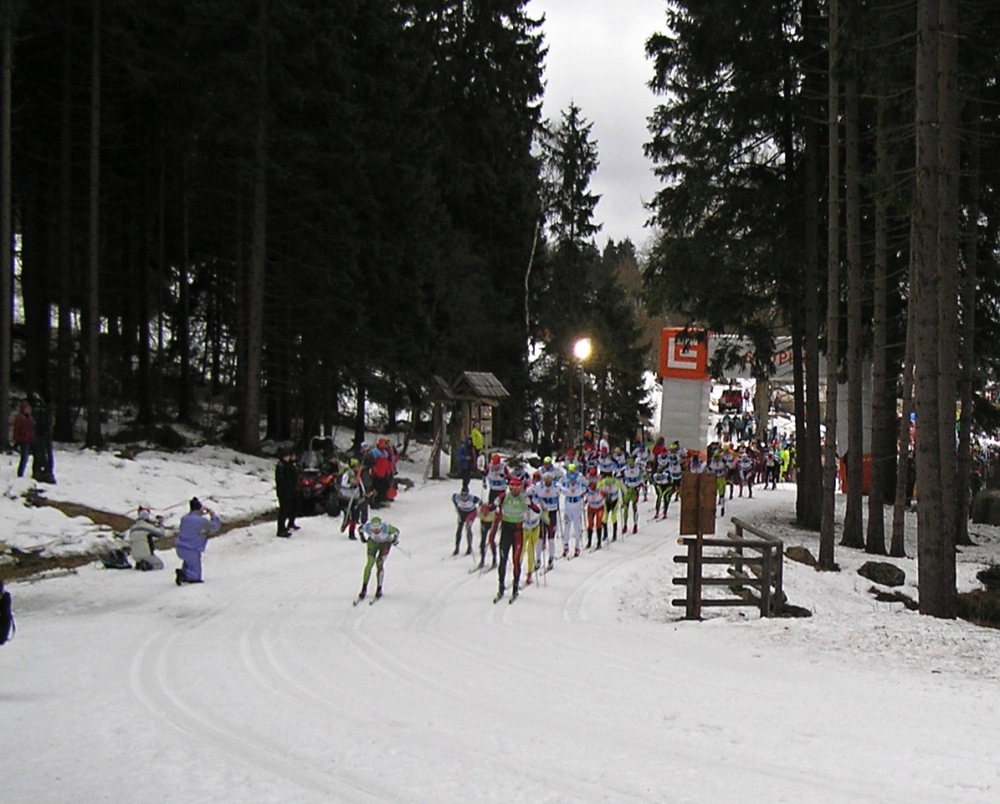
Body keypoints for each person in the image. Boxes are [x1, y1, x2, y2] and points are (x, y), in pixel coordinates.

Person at [489, 476, 539, 602]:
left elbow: (536, 510)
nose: (515, 490)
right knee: (503, 560)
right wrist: (489, 508)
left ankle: (515, 587)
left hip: (518, 533)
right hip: (506, 531)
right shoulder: (504, 497)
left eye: (517, 488)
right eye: (512, 488)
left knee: (516, 560)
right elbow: (492, 506)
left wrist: (531, 505)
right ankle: (500, 587)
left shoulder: (523, 498)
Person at [175, 497, 221, 585]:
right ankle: (184, 574)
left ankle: (184, 573)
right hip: (192, 550)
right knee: (196, 576)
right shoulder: (202, 521)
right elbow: (214, 527)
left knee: (188, 564)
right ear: (199, 508)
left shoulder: (184, 518)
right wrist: (213, 515)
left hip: (180, 548)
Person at [356, 516, 400, 602]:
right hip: (373, 543)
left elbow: (396, 532)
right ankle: (364, 588)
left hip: (385, 544)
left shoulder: (386, 528)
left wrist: (394, 540)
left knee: (379, 563)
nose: (376, 530)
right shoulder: (367, 527)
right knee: (369, 564)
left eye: (378, 528)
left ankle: (379, 588)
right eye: (373, 528)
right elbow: (360, 529)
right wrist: (363, 538)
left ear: (381, 526)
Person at [127, 506, 167, 571]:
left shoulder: (133, 528)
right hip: (146, 554)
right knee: (159, 565)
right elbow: (161, 533)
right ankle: (147, 566)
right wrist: (161, 523)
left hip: (134, 555)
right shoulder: (146, 526)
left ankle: (140, 563)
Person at [30, 392, 55, 483]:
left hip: (42, 434)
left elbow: (40, 423)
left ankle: (42, 472)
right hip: (44, 434)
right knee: (45, 454)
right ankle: (46, 471)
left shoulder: (42, 411)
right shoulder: (46, 410)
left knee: (41, 454)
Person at [274, 448, 299, 538]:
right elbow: (282, 480)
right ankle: (281, 529)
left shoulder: (287, 465)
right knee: (283, 510)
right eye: (287, 456)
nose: (289, 457)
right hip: (284, 492)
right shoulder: (281, 466)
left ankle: (285, 526)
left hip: (289, 491)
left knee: (289, 508)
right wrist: (286, 489)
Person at [452, 485, 481, 556]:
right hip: (462, 512)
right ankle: (457, 547)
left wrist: (479, 511)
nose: (463, 497)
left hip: (471, 512)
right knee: (459, 528)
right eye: (462, 495)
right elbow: (454, 502)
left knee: (468, 527)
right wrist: (458, 512)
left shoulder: (473, 498)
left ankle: (469, 547)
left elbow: (481, 503)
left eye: (465, 495)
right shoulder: (456, 497)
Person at [12, 399, 33, 478]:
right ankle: (20, 473)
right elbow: (17, 429)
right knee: (24, 457)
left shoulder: (29, 418)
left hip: (28, 439)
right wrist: (17, 440)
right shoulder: (20, 418)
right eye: (27, 409)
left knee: (26, 457)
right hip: (23, 440)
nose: (28, 410)